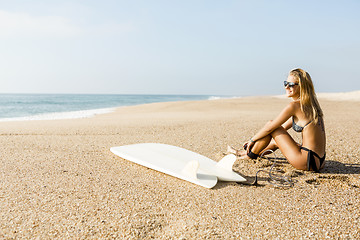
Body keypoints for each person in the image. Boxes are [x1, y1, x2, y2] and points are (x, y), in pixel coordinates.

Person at [228, 68, 326, 172]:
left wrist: (252, 140)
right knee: (275, 140)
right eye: (285, 83)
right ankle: (245, 153)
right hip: (319, 161)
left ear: (302, 86)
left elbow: (271, 127)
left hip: (306, 160)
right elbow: (282, 129)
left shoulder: (294, 106)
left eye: (291, 84)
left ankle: (248, 155)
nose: (287, 87)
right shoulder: (311, 106)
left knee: (271, 125)